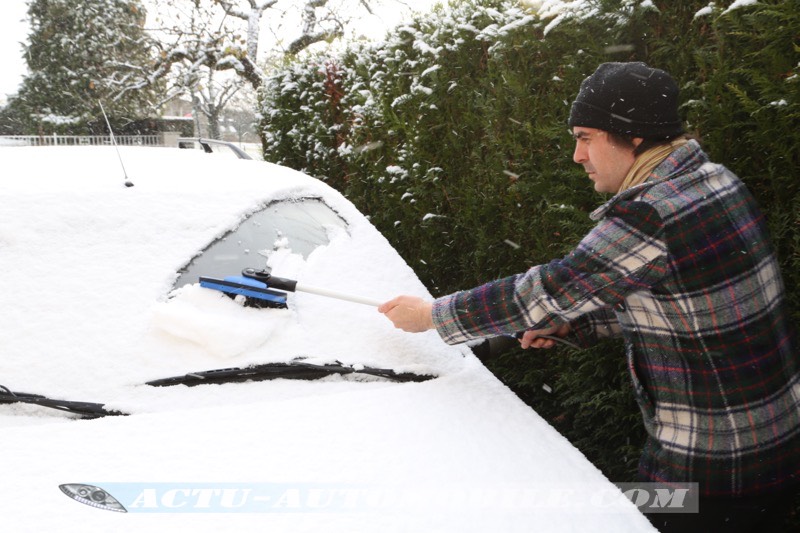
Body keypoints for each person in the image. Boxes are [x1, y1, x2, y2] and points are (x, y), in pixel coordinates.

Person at [378, 62, 799, 532]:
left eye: (585, 136)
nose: (577, 155)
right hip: (774, 446)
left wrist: (431, 315)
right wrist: (576, 324)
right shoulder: (715, 182)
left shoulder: (651, 214)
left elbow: (544, 291)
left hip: (711, 467)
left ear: (632, 135)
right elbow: (692, 307)